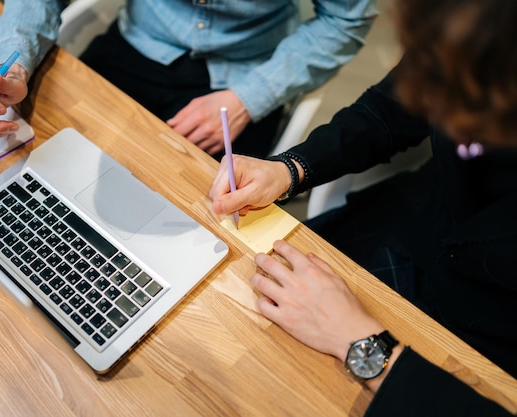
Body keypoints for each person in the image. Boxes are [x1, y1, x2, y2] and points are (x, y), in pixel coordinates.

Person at [209, 0, 517, 414]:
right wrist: (291, 169)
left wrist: (364, 346)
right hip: (410, 223)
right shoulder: (472, 26)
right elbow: (394, 109)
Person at [0, 0, 377, 160]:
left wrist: (253, 96)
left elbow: (345, 20)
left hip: (246, 72)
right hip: (138, 43)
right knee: (38, 167)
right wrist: (11, 69)